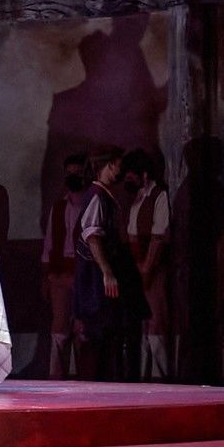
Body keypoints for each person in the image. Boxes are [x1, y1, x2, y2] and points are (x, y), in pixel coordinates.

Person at [74, 148, 147, 382]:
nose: (120, 171)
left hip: (108, 270)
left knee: (111, 329)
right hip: (96, 276)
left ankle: (111, 378)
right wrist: (106, 271)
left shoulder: (104, 195)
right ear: (109, 165)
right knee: (101, 329)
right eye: (118, 165)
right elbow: (92, 236)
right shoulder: (97, 196)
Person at [39, 153, 92, 377]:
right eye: (69, 173)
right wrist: (46, 276)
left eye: (77, 173)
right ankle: (57, 378)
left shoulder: (92, 206)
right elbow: (49, 244)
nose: (72, 177)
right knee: (59, 328)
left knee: (83, 328)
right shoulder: (59, 207)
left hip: (84, 275)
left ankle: (86, 378)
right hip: (60, 274)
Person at [122, 149, 173, 380]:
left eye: (131, 176)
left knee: (156, 324)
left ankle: (161, 377)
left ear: (143, 174)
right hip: (137, 268)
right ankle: (142, 378)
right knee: (142, 328)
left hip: (154, 269)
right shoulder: (137, 198)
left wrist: (147, 268)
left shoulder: (159, 196)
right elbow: (132, 235)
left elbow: (158, 236)